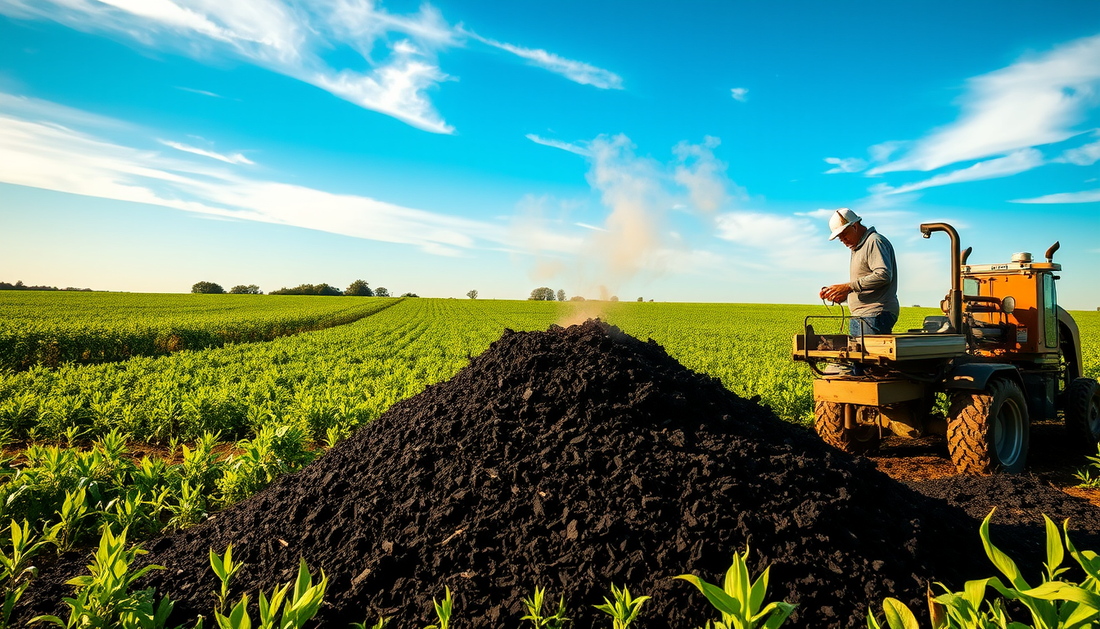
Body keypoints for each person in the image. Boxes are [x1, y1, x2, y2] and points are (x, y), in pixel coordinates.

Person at [819, 208, 899, 337]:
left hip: (875, 313)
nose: (843, 241)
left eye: (844, 236)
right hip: (863, 315)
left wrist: (849, 286)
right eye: (840, 238)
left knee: (868, 356)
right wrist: (844, 294)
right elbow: (864, 285)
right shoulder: (858, 247)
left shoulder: (874, 241)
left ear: (854, 226)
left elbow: (883, 275)